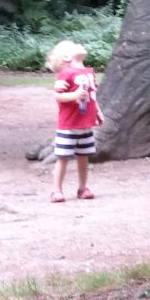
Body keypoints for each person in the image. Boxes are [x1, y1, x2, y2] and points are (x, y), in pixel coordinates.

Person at [46, 40, 103, 203]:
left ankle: (83, 188)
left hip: (85, 125)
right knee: (63, 158)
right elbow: (58, 95)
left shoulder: (89, 72)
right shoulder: (65, 74)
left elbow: (92, 96)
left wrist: (98, 111)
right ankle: (56, 190)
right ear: (66, 57)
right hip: (68, 126)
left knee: (83, 157)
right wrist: (75, 96)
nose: (80, 45)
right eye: (74, 45)